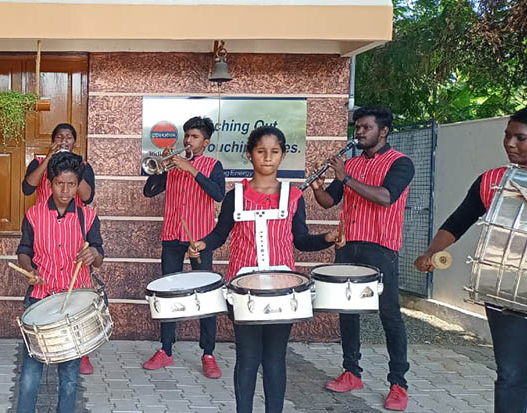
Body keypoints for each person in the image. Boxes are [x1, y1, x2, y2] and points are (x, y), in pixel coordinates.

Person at [190, 126, 340, 413]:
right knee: (246, 357)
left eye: (274, 152)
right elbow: (220, 234)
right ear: (250, 155)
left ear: (283, 155)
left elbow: (302, 240)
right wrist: (201, 243)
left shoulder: (293, 196)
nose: (267, 158)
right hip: (243, 289)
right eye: (261, 151)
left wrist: (327, 238)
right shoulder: (235, 196)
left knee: (274, 358)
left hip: (283, 290)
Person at [414, 108, 527, 413]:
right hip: (506, 296)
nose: (510, 143)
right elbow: (458, 221)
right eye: (507, 135)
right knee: (512, 375)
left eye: (520, 138)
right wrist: (430, 252)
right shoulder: (492, 181)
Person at [309, 106, 414, 411]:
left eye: (366, 127)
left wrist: (347, 177)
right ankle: (352, 371)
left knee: (389, 315)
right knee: (347, 312)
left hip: (381, 247)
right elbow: (329, 202)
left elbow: (385, 197)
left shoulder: (401, 164)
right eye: (357, 127)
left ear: (384, 131)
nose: (359, 132)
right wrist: (317, 186)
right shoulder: (352, 163)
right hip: (348, 245)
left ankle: (398, 383)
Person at [14, 151, 104, 413]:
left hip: (74, 303)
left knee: (69, 376)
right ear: (50, 183)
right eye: (59, 184)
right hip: (40, 298)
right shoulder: (33, 215)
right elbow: (24, 250)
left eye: (71, 184)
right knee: (31, 372)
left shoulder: (88, 216)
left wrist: (93, 254)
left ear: (79, 184)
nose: (65, 191)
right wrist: (28, 268)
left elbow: (98, 255)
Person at [141, 117, 226, 376]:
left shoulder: (213, 165)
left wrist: (192, 170)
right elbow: (149, 192)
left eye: (195, 136)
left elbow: (219, 194)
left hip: (199, 239)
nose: (188, 140)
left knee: (206, 295)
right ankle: (166, 350)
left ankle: (208, 353)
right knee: (167, 292)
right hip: (171, 237)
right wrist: (163, 169)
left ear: (206, 142)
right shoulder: (173, 167)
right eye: (187, 135)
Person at [22, 122, 97, 373]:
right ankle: (41, 353)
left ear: (75, 142)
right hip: (44, 226)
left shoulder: (83, 166)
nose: (64, 140)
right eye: (59, 137)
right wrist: (50, 159)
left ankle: (80, 351)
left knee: (75, 297)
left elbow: (86, 197)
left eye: (68, 137)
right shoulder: (39, 162)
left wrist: (74, 169)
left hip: (72, 224)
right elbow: (27, 187)